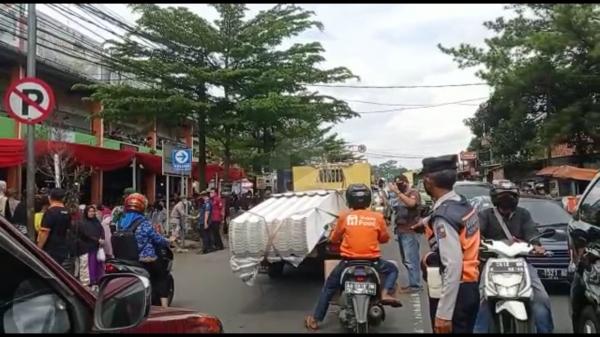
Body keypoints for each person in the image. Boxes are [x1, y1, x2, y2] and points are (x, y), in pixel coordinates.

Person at [304, 184, 401, 331]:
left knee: (329, 287)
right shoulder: (377, 217)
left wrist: (335, 237)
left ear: (349, 200)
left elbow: (335, 238)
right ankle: (385, 293)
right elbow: (384, 238)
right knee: (393, 269)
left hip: (349, 263)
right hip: (373, 263)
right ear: (368, 200)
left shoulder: (344, 216)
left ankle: (316, 319)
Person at [473, 182, 554, 333]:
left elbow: (531, 232)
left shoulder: (523, 214)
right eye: (502, 196)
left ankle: (546, 330)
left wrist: (536, 245)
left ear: (516, 198)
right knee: (483, 298)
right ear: (495, 199)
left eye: (511, 196)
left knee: (541, 298)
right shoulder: (485, 215)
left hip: (520, 262)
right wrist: (478, 244)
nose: (507, 199)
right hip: (493, 262)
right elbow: (477, 233)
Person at [420, 154, 480, 334]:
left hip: (455, 291)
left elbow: (453, 265)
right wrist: (426, 222)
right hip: (471, 286)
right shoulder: (462, 204)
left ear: (428, 180)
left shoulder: (444, 218)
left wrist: (444, 314)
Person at [117, 193, 174, 308]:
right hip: (145, 259)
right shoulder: (144, 223)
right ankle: (164, 308)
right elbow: (157, 239)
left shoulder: (120, 223)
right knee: (162, 277)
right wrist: (169, 241)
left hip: (125, 260)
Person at [387, 174, 423, 293]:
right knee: (406, 259)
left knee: (411, 259)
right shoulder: (399, 196)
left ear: (406, 182)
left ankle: (416, 285)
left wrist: (398, 192)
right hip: (401, 230)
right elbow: (392, 207)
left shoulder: (413, 193)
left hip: (411, 230)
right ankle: (413, 283)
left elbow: (411, 204)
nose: (399, 186)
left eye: (401, 183)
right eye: (397, 184)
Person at [37, 188, 72, 266]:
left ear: (50, 197)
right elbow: (68, 231)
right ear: (63, 198)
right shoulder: (67, 212)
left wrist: (38, 248)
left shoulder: (50, 212)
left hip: (50, 248)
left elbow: (45, 232)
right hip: (62, 247)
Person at [76, 205, 105, 291]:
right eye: (90, 211)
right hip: (86, 247)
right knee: (87, 265)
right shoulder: (82, 223)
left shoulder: (97, 222)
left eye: (93, 211)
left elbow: (101, 230)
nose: (92, 213)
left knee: (96, 265)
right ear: (86, 212)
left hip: (95, 247)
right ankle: (87, 284)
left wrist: (102, 239)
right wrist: (97, 240)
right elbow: (84, 234)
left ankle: (96, 282)